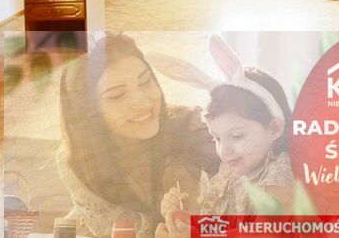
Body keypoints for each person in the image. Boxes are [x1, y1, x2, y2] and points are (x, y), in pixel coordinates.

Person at [57, 33, 219, 237]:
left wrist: (197, 230)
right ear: (88, 113)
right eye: (117, 95)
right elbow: (105, 223)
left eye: (145, 82)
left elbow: (245, 221)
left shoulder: (195, 130)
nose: (142, 102)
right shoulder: (79, 160)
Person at [159, 36, 294, 232]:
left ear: (274, 129)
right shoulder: (231, 174)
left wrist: (195, 235)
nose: (224, 150)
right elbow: (226, 229)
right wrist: (185, 221)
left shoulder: (281, 173)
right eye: (217, 138)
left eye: (237, 136)